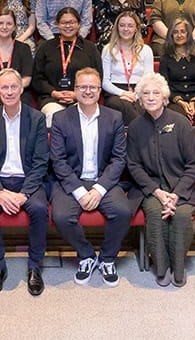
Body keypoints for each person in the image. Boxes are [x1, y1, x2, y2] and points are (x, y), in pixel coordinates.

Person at [50, 67, 131, 288]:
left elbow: (118, 159)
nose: (88, 91)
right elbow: (58, 160)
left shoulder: (114, 117)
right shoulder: (60, 118)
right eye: (83, 87)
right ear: (75, 90)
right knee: (61, 216)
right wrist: (78, 191)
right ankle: (86, 255)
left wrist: (99, 189)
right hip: (71, 180)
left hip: (103, 180)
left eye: (92, 87)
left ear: (99, 90)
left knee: (123, 212)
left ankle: (106, 258)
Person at [0, 68, 50, 297]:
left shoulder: (36, 118)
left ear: (21, 88)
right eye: (4, 87)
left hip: (27, 179)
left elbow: (40, 161)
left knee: (38, 208)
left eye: (13, 87)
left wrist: (24, 194)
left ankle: (35, 265)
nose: (9, 92)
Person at [126, 72, 195, 288]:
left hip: (183, 188)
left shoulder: (181, 123)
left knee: (181, 216)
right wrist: (158, 193)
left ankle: (178, 268)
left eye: (155, 93)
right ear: (139, 99)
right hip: (149, 189)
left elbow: (193, 165)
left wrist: (176, 195)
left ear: (165, 97)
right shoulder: (135, 127)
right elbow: (133, 165)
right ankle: (162, 267)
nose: (150, 97)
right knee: (155, 213)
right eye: (146, 93)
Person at [32, 7, 103, 127]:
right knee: (53, 115)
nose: (68, 26)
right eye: (64, 23)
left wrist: (77, 94)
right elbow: (37, 78)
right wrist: (54, 93)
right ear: (57, 25)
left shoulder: (90, 48)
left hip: (83, 97)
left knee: (80, 116)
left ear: (79, 24)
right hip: (52, 98)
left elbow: (98, 76)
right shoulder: (45, 47)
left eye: (72, 22)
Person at [101, 11, 154, 124]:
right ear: (117, 28)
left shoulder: (145, 50)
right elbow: (105, 82)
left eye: (130, 26)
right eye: (122, 25)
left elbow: (149, 79)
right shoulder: (108, 49)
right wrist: (123, 93)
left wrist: (136, 94)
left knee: (142, 105)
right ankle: (143, 130)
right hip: (115, 92)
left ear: (136, 29)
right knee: (125, 106)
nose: (126, 29)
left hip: (139, 91)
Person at [0, 10, 34, 111]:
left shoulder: (24, 48)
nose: (4, 27)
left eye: (9, 24)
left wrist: (12, 89)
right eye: (0, 23)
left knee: (21, 102)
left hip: (18, 92)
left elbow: (27, 79)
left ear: (14, 27)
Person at [158, 18, 195, 125]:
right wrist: (181, 102)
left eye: (183, 31)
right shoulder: (165, 59)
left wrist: (193, 102)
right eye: (175, 32)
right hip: (174, 101)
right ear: (171, 35)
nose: (179, 35)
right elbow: (165, 87)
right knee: (180, 121)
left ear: (188, 34)